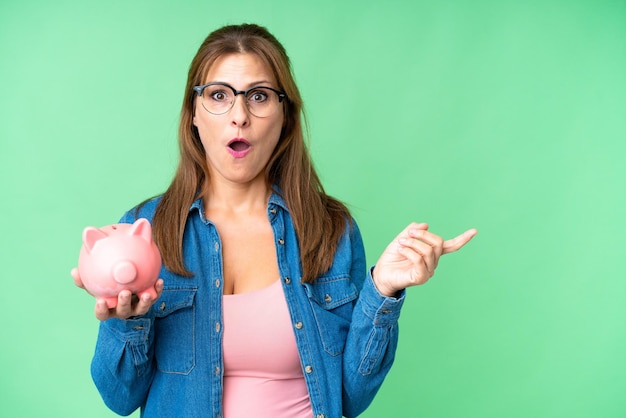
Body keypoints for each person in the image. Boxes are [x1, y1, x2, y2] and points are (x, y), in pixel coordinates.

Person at [73, 23, 477, 418]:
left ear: (285, 116)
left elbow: (349, 399)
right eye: (218, 95)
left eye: (260, 96)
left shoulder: (330, 228)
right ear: (193, 113)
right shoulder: (145, 230)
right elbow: (119, 399)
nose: (239, 116)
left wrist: (383, 291)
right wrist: (128, 324)